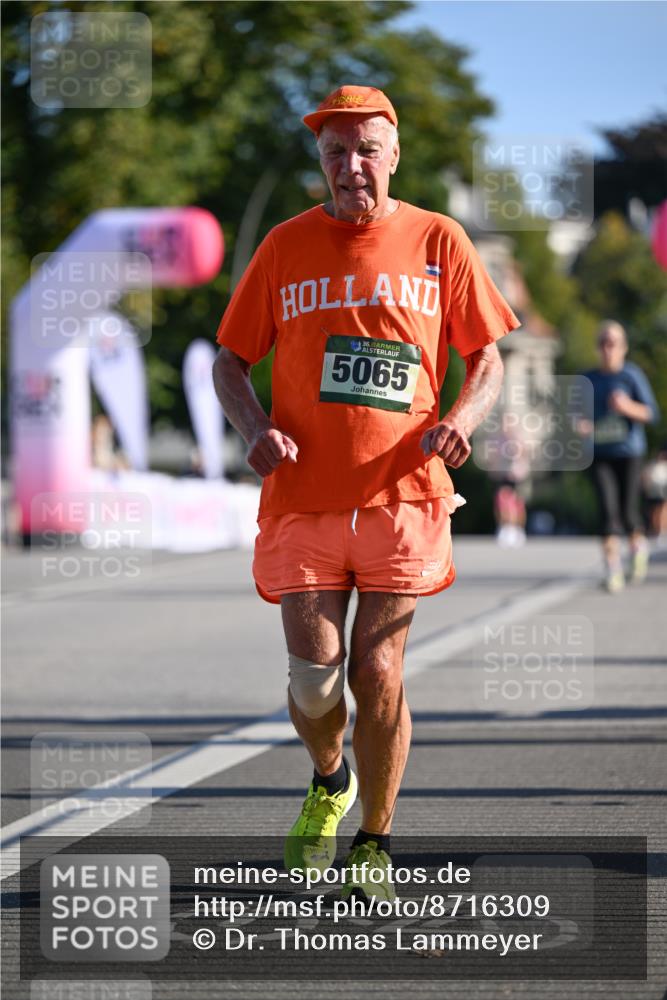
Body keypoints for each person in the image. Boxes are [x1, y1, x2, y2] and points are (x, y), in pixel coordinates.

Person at [212, 85, 520, 902]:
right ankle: (328, 778)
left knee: (377, 669)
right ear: (321, 162)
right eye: (335, 153)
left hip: (403, 495)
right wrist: (253, 430)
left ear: (393, 154)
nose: (352, 166)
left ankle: (375, 843)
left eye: (366, 150)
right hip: (303, 495)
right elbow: (228, 361)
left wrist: (459, 418)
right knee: (315, 680)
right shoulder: (283, 246)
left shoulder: (438, 239)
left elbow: (486, 357)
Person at [581, 320, 660, 592]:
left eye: (613, 343)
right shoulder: (589, 379)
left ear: (623, 348)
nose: (607, 348)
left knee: (628, 513)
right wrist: (580, 425)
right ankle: (612, 569)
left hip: (629, 453)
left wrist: (627, 406)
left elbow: (652, 413)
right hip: (599, 454)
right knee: (607, 512)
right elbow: (572, 416)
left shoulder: (631, 376)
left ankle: (638, 546)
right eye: (603, 342)